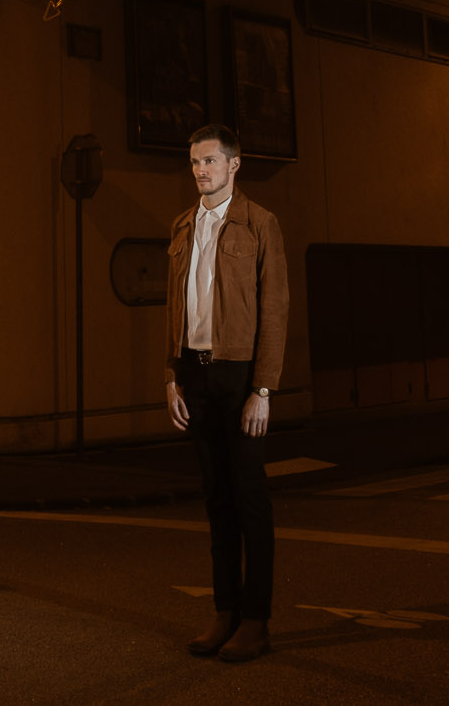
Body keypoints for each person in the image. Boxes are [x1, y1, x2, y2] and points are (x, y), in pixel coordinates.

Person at [165, 123, 287, 663]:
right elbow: (172, 305)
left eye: (210, 161)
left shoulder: (260, 224)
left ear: (234, 165)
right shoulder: (182, 225)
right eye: (194, 162)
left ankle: (256, 621)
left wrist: (263, 388)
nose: (200, 170)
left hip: (240, 376)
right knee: (216, 498)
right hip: (195, 374)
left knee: (249, 497)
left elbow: (275, 311)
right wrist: (171, 376)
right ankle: (224, 612)